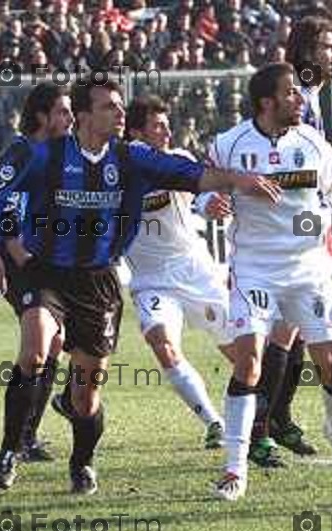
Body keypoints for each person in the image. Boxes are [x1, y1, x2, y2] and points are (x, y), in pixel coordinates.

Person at [0, 77, 281, 495]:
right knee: (36, 349)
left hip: (99, 283)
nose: (120, 113)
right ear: (83, 115)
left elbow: (193, 174)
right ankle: (10, 449)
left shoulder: (132, 159)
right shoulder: (42, 156)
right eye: (109, 107)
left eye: (120, 106)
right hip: (47, 274)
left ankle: (82, 462)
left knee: (85, 397)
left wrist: (239, 180)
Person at [207, 63, 332, 501]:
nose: (299, 98)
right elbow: (204, 185)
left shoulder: (312, 141)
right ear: (267, 102)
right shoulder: (229, 144)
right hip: (254, 267)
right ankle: (234, 468)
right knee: (249, 362)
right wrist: (212, 202)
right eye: (291, 93)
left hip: (307, 268)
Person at [123, 95, 234, 449]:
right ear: (136, 133)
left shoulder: (178, 160)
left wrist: (209, 203)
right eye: (157, 125)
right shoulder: (117, 173)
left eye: (166, 122)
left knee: (241, 353)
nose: (167, 130)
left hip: (196, 273)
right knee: (161, 342)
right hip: (151, 281)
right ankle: (213, 422)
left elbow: (198, 193)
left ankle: (264, 420)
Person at [0, 82, 74, 464]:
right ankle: (16, 442)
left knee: (53, 343)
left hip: (40, 259)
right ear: (42, 117)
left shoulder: (53, 153)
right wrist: (13, 250)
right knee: (39, 345)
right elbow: (0, 202)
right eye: (63, 112)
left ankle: (26, 438)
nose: (68, 118)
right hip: (20, 261)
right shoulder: (22, 150)